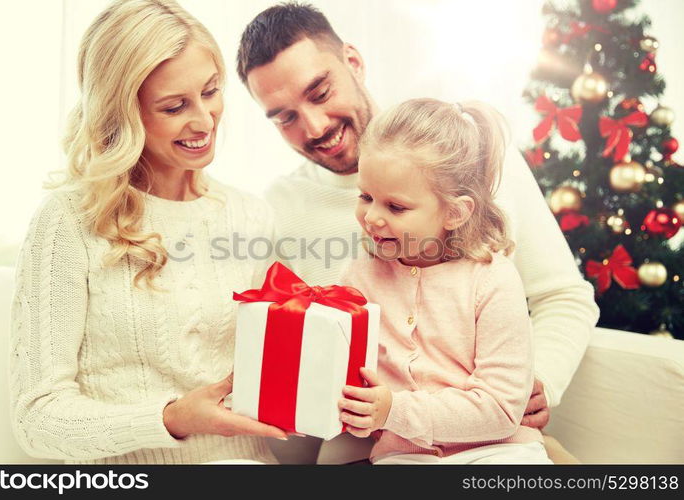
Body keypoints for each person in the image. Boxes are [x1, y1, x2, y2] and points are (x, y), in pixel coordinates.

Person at [236, 2, 599, 464]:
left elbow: (563, 296)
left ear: (353, 62)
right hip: (385, 448)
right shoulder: (281, 206)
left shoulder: (473, 158)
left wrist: (534, 380)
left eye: (321, 92)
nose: (316, 125)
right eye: (284, 117)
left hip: (496, 437)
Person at [9, 0, 286, 465]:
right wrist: (172, 417)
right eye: (174, 106)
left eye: (211, 91)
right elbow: (37, 420)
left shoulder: (251, 217)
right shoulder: (68, 222)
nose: (203, 120)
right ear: (123, 113)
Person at [337, 98, 552, 464]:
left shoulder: (492, 280)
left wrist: (393, 411)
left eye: (396, 207)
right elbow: (343, 375)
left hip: (499, 450)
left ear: (455, 211)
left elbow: (500, 410)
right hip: (403, 455)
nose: (371, 217)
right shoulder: (358, 276)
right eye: (366, 196)